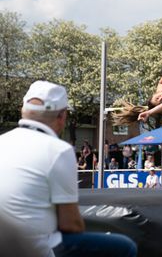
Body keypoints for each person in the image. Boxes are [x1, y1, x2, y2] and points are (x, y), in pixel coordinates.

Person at [0, 80, 137, 257]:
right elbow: (70, 224)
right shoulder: (59, 150)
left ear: (23, 110)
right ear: (62, 116)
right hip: (34, 248)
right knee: (125, 247)